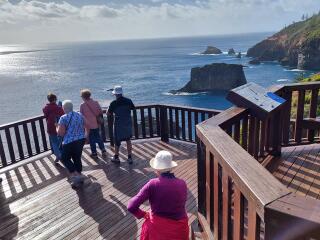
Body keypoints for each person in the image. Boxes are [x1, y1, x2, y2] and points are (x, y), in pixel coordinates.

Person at [127, 151, 189, 240]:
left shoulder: (153, 184)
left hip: (157, 231)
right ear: (170, 168)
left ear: (157, 169)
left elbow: (131, 206)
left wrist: (143, 214)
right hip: (179, 231)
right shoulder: (182, 183)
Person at [57, 100, 86, 188]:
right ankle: (78, 176)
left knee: (64, 158)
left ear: (64, 108)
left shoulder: (63, 118)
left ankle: (76, 175)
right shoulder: (79, 115)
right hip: (80, 140)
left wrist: (56, 128)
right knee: (77, 157)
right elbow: (86, 124)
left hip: (69, 142)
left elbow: (61, 133)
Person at [107, 86, 135, 164]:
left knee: (117, 141)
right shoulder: (128, 101)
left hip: (118, 124)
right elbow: (132, 108)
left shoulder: (113, 103)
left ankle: (116, 157)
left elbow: (108, 113)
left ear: (115, 94)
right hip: (127, 122)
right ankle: (129, 158)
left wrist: (108, 108)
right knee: (128, 140)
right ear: (121, 93)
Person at [80, 89, 106, 158]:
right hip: (96, 124)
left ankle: (94, 153)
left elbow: (81, 116)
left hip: (88, 126)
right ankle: (103, 150)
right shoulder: (96, 102)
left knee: (91, 140)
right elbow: (100, 112)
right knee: (98, 137)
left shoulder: (82, 105)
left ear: (83, 97)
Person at [43, 93, 64, 163]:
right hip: (59, 126)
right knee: (60, 142)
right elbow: (63, 114)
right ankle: (61, 155)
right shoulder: (58, 108)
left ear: (48, 100)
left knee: (54, 143)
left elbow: (45, 114)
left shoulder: (46, 108)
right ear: (55, 99)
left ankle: (58, 155)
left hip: (50, 127)